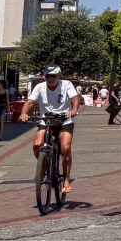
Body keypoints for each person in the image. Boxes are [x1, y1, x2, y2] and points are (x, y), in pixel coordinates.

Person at [20, 65, 80, 195]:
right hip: (46, 120)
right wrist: (24, 113)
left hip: (64, 120)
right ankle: (44, 167)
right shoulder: (40, 87)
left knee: (65, 148)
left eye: (53, 76)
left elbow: (75, 98)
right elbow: (30, 102)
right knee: (37, 145)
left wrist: (74, 110)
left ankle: (66, 180)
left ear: (59, 75)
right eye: (48, 76)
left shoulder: (66, 85)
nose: (50, 78)